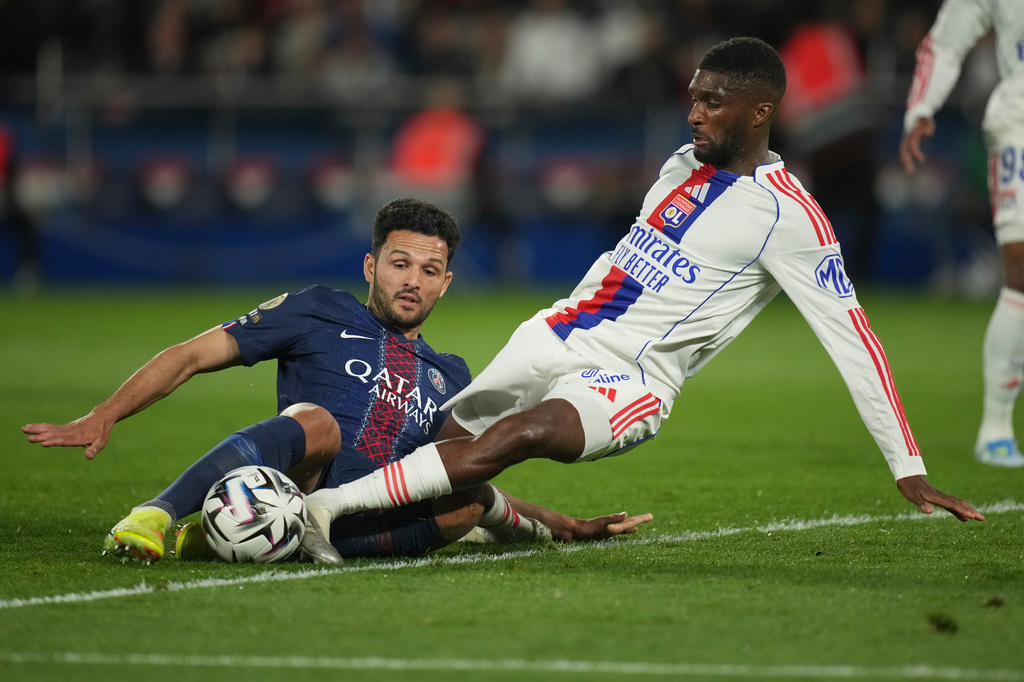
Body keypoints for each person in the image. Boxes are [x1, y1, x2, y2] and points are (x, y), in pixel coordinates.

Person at [300, 37, 986, 538]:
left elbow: (854, 339)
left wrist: (907, 462)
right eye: (694, 98)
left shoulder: (792, 218)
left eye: (713, 103)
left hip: (633, 379)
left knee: (525, 432)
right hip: (558, 331)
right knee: (447, 457)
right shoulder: (681, 164)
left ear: (759, 111)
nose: (695, 114)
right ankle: (482, 528)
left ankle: (325, 511)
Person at [23, 197, 651, 564]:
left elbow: (462, 472)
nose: (413, 281)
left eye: (430, 270)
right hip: (298, 477)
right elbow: (188, 356)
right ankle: (155, 516)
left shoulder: (451, 373)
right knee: (316, 421)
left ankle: (233, 539)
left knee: (470, 492)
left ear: (447, 282)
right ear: (371, 265)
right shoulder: (317, 308)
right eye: (400, 264)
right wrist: (106, 412)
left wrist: (567, 527)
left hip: (368, 525)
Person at [899, 0, 1024, 468]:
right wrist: (922, 107)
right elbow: (947, 41)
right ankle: (996, 427)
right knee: (1021, 266)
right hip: (1021, 122)